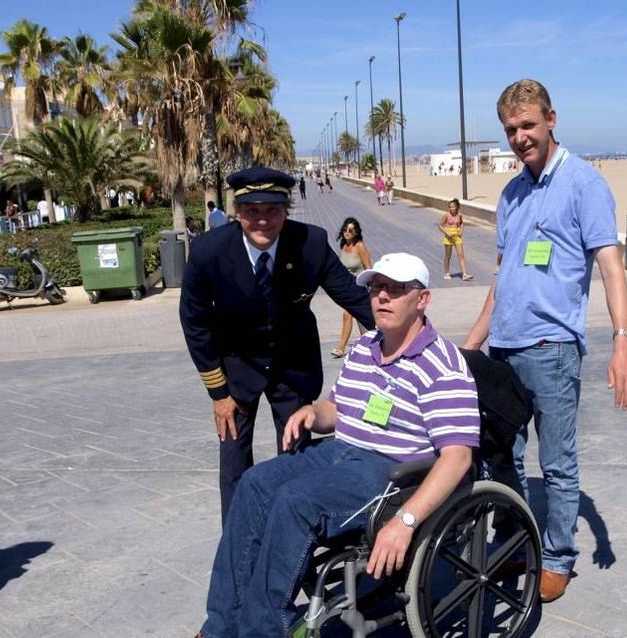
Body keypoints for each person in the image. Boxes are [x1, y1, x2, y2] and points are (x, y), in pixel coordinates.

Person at [195, 252, 479, 638]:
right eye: (377, 288)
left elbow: (458, 457)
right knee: (254, 483)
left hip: (391, 472)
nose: (382, 297)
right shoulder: (365, 347)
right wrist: (314, 412)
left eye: (395, 289)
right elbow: (339, 409)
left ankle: (260, 631)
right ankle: (220, 628)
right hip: (340, 452)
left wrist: (405, 521)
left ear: (422, 298)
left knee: (295, 501)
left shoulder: (442, 366)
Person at [463, 79, 627, 604]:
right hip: (505, 349)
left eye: (528, 126)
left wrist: (623, 342)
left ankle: (558, 556)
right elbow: (504, 276)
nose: (519, 137)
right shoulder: (511, 193)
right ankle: (517, 541)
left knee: (557, 464)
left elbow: (611, 267)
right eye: (511, 129)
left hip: (553, 349)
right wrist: (471, 346)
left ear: (552, 120)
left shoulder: (585, 184)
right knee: (502, 456)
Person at [180, 167, 375, 523]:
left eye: (272, 210)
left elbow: (354, 297)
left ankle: (297, 541)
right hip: (236, 372)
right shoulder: (209, 251)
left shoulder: (311, 243)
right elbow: (195, 323)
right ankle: (240, 550)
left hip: (293, 368)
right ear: (238, 212)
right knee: (235, 467)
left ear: (286, 210)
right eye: (252, 211)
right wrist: (218, 394)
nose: (262, 221)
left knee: (297, 459)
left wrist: (411, 332)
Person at [331, 217, 373, 358]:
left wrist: (371, 287)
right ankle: (367, 344)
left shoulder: (359, 246)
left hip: (360, 287)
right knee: (353, 316)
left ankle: (342, 347)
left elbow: (368, 266)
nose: (347, 232)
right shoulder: (344, 245)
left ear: (356, 232)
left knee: (353, 316)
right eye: (345, 230)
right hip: (348, 287)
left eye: (350, 230)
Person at [438, 198, 473, 281]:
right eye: (450, 207)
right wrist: (446, 233)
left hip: (457, 236)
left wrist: (461, 231)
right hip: (448, 237)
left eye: (453, 207)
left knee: (461, 255)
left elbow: (461, 223)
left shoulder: (459, 215)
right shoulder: (446, 215)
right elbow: (440, 225)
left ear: (457, 207)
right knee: (448, 256)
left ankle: (464, 274)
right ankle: (446, 273)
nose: (451, 209)